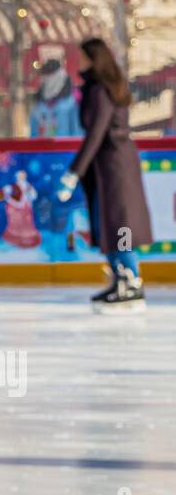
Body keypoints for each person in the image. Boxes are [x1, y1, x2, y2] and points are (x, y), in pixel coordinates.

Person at [56, 37, 153, 311]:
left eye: (82, 57)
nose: (78, 62)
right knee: (105, 224)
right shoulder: (95, 87)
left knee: (119, 224)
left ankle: (131, 281)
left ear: (93, 58)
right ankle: (118, 278)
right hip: (106, 166)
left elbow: (96, 133)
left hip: (115, 167)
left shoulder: (100, 90)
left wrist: (74, 171)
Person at [29, 58, 80, 139]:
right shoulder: (38, 106)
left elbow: (77, 133)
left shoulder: (72, 104)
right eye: (45, 75)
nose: (46, 79)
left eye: (50, 75)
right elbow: (33, 134)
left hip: (66, 149)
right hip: (42, 149)